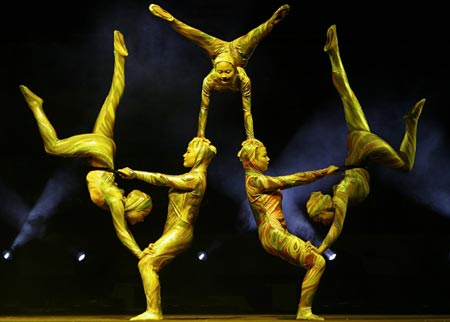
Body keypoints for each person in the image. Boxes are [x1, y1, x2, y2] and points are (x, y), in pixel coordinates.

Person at [19, 30, 153, 260]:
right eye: (142, 216)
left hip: (105, 153)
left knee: (113, 98)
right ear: (135, 208)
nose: (140, 221)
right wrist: (140, 253)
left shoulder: (115, 195)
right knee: (52, 146)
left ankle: (119, 57)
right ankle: (37, 107)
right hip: (100, 154)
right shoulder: (115, 199)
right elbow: (122, 231)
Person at [306, 24, 425, 255]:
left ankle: (411, 123)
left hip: (363, 149)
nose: (324, 222)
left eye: (321, 219)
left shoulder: (341, 193)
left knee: (405, 165)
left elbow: (337, 228)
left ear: (325, 208)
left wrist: (321, 249)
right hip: (357, 146)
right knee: (346, 93)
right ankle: (333, 53)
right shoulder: (341, 190)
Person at [148, 3, 290, 140]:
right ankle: (171, 20)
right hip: (218, 52)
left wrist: (250, 137)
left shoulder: (242, 79)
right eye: (220, 72)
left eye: (227, 72)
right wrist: (200, 134)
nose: (223, 76)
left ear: (235, 71)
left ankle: (273, 20)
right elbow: (204, 108)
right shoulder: (209, 81)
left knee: (258, 34)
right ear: (215, 70)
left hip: (238, 53)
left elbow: (247, 111)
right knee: (195, 35)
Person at [237, 138, 339, 321]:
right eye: (264, 155)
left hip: (273, 234)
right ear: (252, 159)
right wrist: (324, 172)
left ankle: (304, 310)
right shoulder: (256, 181)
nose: (268, 159)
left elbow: (249, 128)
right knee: (318, 262)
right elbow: (292, 180)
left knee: (313, 262)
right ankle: (304, 311)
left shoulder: (251, 178)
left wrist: (247, 109)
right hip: (273, 233)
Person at [118, 136, 217, 321]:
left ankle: (154, 311)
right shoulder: (195, 175)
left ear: (200, 156)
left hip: (180, 233)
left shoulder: (194, 179)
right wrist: (203, 110)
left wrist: (134, 174)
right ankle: (153, 310)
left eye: (189, 151)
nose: (184, 154)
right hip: (174, 231)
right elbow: (201, 124)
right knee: (147, 262)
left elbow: (161, 179)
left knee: (146, 263)